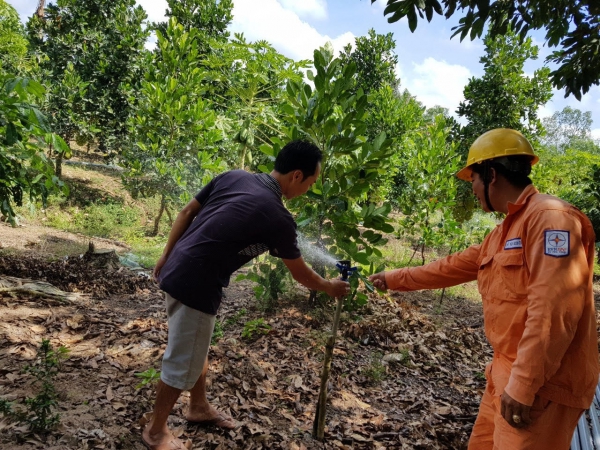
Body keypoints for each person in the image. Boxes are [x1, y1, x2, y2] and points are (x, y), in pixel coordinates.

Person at [369, 128, 599, 450]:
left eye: (473, 179)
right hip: (505, 371)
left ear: (491, 174)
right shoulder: (503, 232)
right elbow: (448, 267)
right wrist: (392, 278)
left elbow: (554, 310)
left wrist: (523, 385)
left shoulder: (550, 219)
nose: (472, 189)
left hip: (541, 385)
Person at [142, 140, 350, 450]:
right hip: (197, 282)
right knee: (183, 358)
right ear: (296, 175)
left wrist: (165, 255)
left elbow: (187, 211)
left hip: (178, 267)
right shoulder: (279, 218)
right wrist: (328, 286)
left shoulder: (234, 176)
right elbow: (300, 274)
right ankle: (156, 430)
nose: (308, 189)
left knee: (195, 343)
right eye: (311, 182)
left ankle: (197, 407)